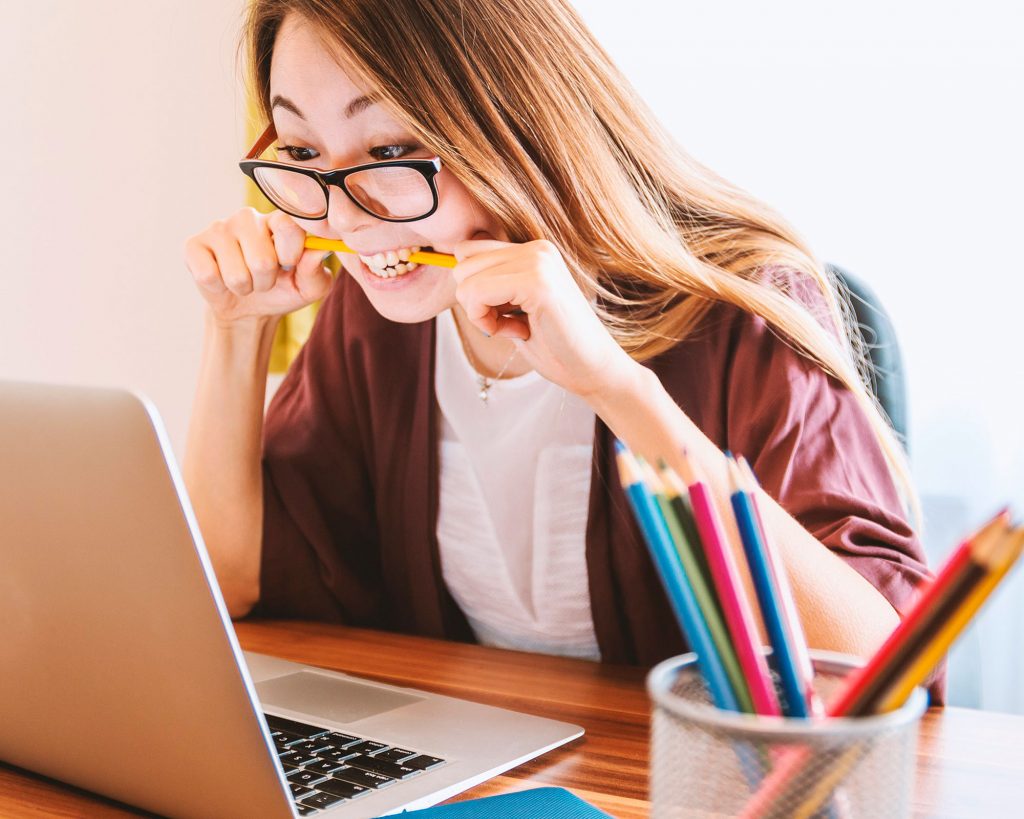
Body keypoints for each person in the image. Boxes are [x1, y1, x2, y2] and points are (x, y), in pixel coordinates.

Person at [183, 0, 932, 671]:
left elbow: (882, 670)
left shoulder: (743, 308)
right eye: (305, 153)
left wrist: (615, 385)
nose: (343, 219)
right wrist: (236, 330)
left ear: (514, 123)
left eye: (389, 151)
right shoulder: (380, 317)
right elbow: (231, 579)